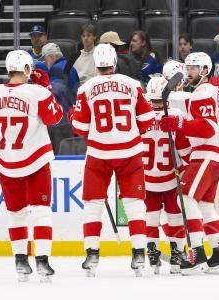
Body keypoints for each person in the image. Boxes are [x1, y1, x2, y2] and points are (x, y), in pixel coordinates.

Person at [67, 44, 155, 277]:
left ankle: (92, 254)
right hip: (130, 152)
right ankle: (138, 254)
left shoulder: (86, 88)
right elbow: (146, 121)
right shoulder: (134, 85)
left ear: (96, 64)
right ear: (115, 62)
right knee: (135, 204)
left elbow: (80, 127)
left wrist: (73, 116)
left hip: (99, 154)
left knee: (93, 204)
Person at [0, 50, 63, 282]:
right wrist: (47, 89)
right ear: (27, 69)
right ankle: (42, 261)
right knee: (41, 211)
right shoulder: (37, 92)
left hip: (7, 162)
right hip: (36, 160)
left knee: (15, 214)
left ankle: (20, 261)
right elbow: (54, 118)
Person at [160, 52, 219, 275]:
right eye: (187, 67)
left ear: (204, 70)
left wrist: (179, 122)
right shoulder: (209, 91)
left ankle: (197, 255)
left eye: (192, 68)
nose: (188, 72)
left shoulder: (203, 92)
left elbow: (208, 127)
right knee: (204, 204)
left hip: (209, 152)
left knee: (185, 196)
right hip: (217, 152)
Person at [142, 77, 191, 275]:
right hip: (171, 178)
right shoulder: (176, 115)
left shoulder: (141, 117)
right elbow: (185, 149)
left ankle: (153, 255)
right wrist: (187, 165)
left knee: (150, 218)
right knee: (176, 217)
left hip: (147, 178)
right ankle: (176, 257)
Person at [41, 42, 78, 154]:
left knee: (59, 153)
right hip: (71, 118)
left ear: (52, 56)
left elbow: (54, 93)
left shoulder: (55, 70)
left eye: (45, 58)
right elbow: (76, 92)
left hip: (60, 122)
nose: (45, 62)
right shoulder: (72, 68)